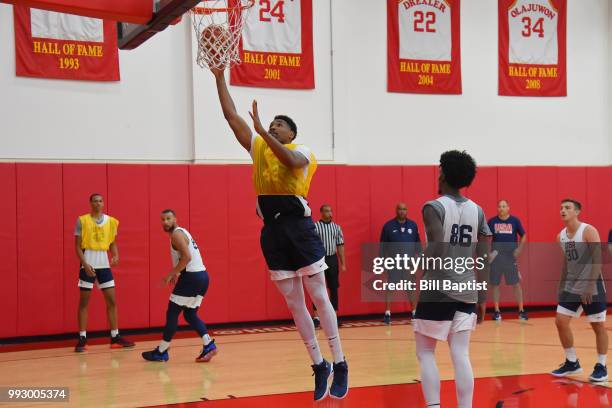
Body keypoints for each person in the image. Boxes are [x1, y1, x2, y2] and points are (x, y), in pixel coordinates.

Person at [211, 67, 348, 401]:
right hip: (272, 232)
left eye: (279, 125)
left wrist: (262, 131)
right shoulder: (258, 147)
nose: (273, 127)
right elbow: (230, 116)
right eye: (270, 124)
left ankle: (340, 362)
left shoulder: (305, 151)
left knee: (319, 295)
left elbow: (288, 160)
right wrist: (219, 76)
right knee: (294, 303)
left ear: (291, 133)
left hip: (299, 229)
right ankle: (319, 365)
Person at [413, 150, 491, 408]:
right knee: (461, 353)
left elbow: (437, 246)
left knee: (425, 352)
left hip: (438, 288)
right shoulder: (478, 211)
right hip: (467, 289)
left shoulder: (433, 207)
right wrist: (483, 296)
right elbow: (483, 257)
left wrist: (417, 273)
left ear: (443, 174)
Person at [142, 210, 217, 362]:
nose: (165, 222)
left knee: (172, 312)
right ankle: (208, 344)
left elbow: (187, 257)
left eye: (168, 218)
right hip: (202, 277)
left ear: (175, 219)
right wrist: (177, 273)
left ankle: (161, 351)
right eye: (162, 219)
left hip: (192, 277)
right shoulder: (182, 232)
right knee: (190, 314)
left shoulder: (176, 234)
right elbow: (187, 257)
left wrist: (171, 274)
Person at [551, 199, 607, 382]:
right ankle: (572, 362)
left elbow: (598, 259)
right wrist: (561, 285)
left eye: (567, 208)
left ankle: (602, 365)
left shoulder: (588, 231)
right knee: (560, 320)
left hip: (592, 284)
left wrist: (590, 285)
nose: (562, 210)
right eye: (561, 208)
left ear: (577, 212)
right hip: (572, 286)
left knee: (597, 326)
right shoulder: (561, 236)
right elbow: (567, 263)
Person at [74, 193, 134, 352]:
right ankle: (82, 338)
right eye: (95, 201)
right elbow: (77, 246)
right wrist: (85, 265)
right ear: (90, 203)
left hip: (104, 264)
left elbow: (112, 242)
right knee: (84, 303)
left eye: (100, 201)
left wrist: (116, 254)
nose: (98, 203)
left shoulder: (111, 221)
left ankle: (115, 337)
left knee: (112, 302)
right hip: (88, 262)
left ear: (103, 203)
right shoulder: (82, 220)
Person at [379, 202, 422, 324]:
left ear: (407, 211)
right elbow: (382, 246)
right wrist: (382, 261)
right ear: (396, 210)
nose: (402, 211)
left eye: (404, 209)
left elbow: (418, 245)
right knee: (390, 287)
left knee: (411, 288)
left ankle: (414, 312)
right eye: (400, 209)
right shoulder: (388, 226)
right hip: (394, 262)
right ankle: (387, 313)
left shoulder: (413, 225)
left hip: (409, 263)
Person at [487, 199, 528, 321]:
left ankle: (521, 310)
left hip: (510, 258)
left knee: (516, 284)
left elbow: (524, 235)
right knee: (495, 284)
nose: (501, 208)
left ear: (508, 208)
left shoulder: (514, 221)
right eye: (499, 206)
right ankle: (497, 311)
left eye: (504, 206)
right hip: (496, 258)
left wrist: (519, 249)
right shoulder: (492, 222)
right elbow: (485, 237)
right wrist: (488, 253)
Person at [312, 205, 346, 328]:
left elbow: (340, 245)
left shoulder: (336, 228)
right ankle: (316, 317)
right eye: (327, 211)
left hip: (332, 259)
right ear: (321, 213)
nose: (329, 213)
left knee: (333, 288)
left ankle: (334, 317)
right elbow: (311, 244)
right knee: (317, 288)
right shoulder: (315, 227)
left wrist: (343, 263)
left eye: (331, 211)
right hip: (320, 259)